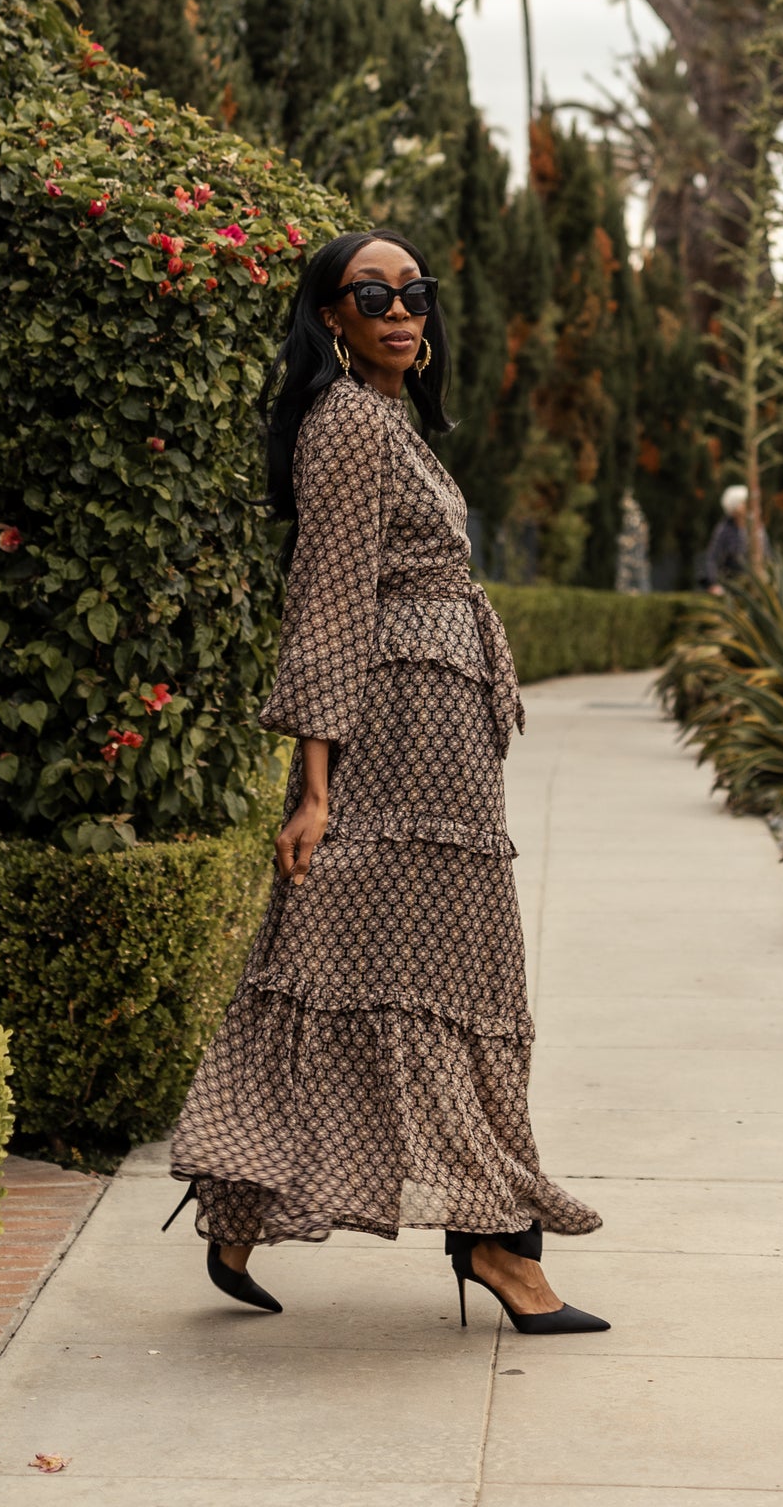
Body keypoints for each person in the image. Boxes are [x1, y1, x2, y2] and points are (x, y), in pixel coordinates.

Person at [163, 230, 608, 1336]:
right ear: (332, 317)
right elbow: (323, 604)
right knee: (364, 967)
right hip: (392, 739)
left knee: (381, 969)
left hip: (440, 736)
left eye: (414, 293)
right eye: (374, 295)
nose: (401, 311)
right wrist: (312, 789)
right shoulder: (348, 425)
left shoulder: (385, 415)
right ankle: (497, 1244)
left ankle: (247, 1205)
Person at [701, 484, 754, 593]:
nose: (746, 506)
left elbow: (767, 554)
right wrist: (713, 584)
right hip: (732, 585)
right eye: (743, 503)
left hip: (753, 584)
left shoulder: (756, 528)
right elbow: (712, 558)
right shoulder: (724, 530)